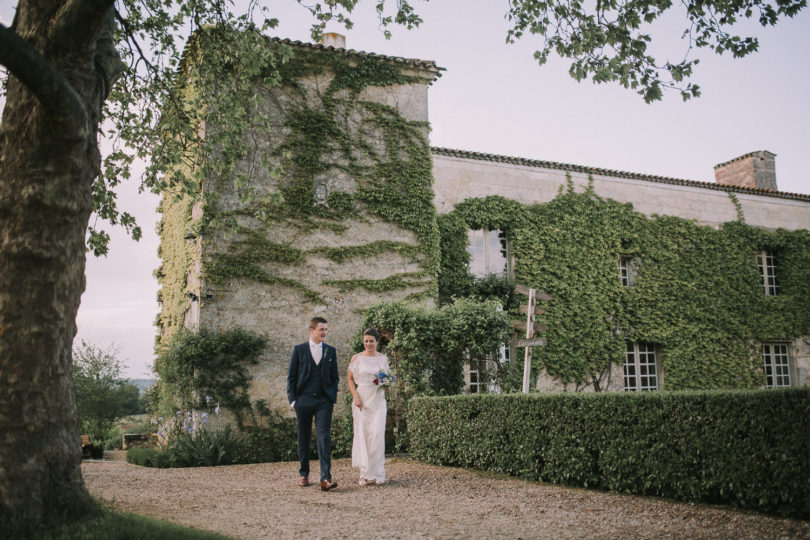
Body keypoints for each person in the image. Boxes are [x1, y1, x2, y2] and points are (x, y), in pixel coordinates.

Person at [287, 316, 339, 491]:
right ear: (312, 330)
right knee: (304, 436)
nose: (324, 332)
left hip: (324, 400)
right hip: (303, 400)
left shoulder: (330, 351)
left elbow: (334, 377)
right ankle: (304, 473)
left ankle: (325, 478)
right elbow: (292, 377)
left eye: (326, 330)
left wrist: (332, 396)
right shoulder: (299, 350)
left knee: (324, 436)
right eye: (321, 329)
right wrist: (293, 400)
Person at [347, 327, 390, 485]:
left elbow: (386, 379)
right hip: (362, 400)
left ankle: (379, 472)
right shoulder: (356, 358)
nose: (368, 343)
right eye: (366, 341)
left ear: (377, 341)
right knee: (363, 434)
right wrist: (356, 397)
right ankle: (364, 472)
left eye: (371, 341)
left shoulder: (383, 359)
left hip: (378, 399)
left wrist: (386, 384)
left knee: (377, 435)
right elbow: (350, 380)